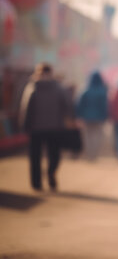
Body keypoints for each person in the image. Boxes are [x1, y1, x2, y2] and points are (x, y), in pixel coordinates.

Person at [19, 63, 70, 191]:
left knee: (39, 157)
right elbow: (67, 106)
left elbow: (25, 109)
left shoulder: (33, 87)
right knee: (51, 155)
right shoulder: (58, 88)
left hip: (41, 128)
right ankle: (47, 176)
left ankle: (40, 180)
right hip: (52, 127)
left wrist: (24, 126)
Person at [76, 71, 108, 161]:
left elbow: (79, 105)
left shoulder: (85, 91)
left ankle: (89, 153)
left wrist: (79, 116)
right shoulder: (102, 92)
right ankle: (94, 154)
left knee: (87, 136)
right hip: (99, 118)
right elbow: (105, 106)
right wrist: (105, 116)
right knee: (97, 136)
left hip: (86, 118)